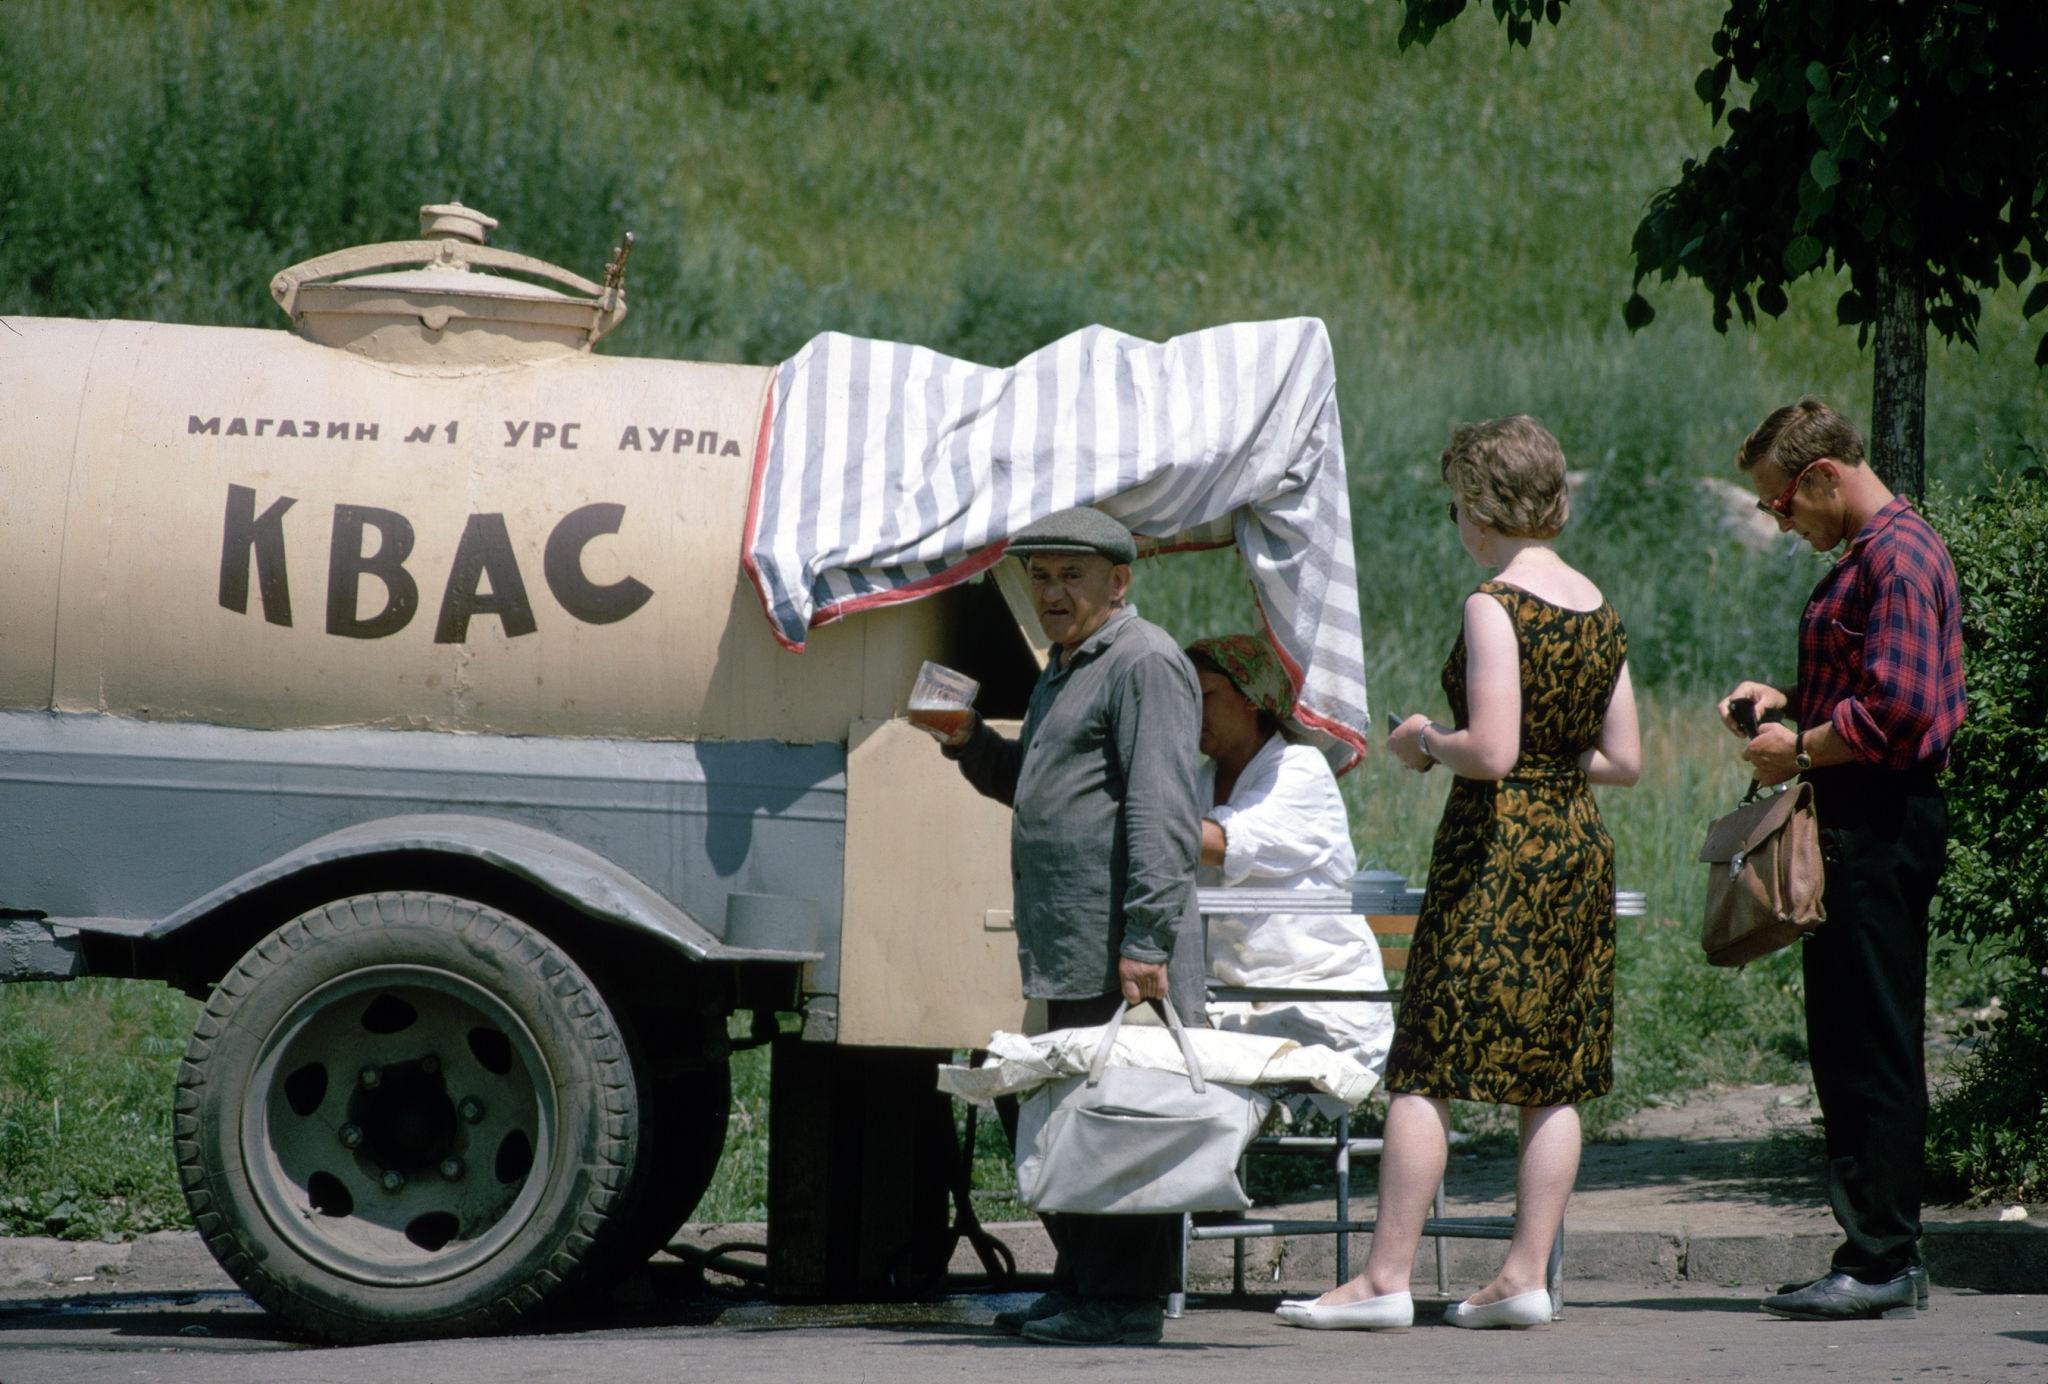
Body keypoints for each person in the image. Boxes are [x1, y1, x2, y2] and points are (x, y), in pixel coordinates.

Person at [1277, 415, 1640, 1332]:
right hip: (1575, 846)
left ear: (1480, 508)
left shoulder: (1494, 603)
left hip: (1499, 851)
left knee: (1427, 1063)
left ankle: (1383, 1278)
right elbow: (1623, 759)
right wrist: (1546, 760)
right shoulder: (1598, 605)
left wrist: (1423, 742)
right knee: (1551, 1074)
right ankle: (1525, 1274)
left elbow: (1493, 748)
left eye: (1455, 506)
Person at [920, 505, 1204, 1346]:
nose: (1051, 591)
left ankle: (1121, 1301)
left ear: (1119, 582)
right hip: (1068, 939)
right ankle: (1086, 1280)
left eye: (1070, 576)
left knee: (1116, 1120)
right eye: (1039, 575)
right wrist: (968, 740)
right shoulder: (1065, 664)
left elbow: (1163, 811)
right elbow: (1035, 787)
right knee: (1068, 1114)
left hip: (1117, 942)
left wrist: (1146, 939)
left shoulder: (1143, 662)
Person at [1717, 398, 1964, 1323]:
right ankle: (1873, 1250)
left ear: (1823, 476)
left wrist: (1799, 750)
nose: (1782, 522)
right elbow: (1871, 683)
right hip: (1859, 814)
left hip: (1878, 818)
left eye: (1782, 504)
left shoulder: (1895, 556)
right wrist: (1784, 698)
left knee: (1873, 1044)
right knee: (1851, 1039)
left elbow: (1896, 712)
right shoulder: (1877, 555)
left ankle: (1882, 1258)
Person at [1186, 633, 1393, 1073]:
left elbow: (1223, 844)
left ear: (1252, 699)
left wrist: (1134, 818)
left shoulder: (1301, 772)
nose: (1193, 711)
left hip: (1317, 1001)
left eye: (1205, 695)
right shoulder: (1200, 782)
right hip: (1231, 1000)